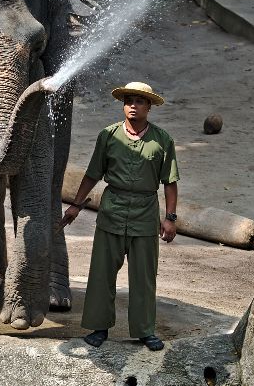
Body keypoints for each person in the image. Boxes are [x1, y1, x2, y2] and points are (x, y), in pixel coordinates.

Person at [62, 81, 179, 351]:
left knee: (144, 276)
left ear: (149, 106)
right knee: (102, 273)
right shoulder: (108, 136)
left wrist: (170, 217)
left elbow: (170, 182)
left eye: (139, 101)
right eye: (128, 101)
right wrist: (76, 205)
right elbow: (93, 173)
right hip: (112, 211)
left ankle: (145, 331)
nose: (133, 106)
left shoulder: (163, 140)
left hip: (146, 213)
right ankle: (99, 327)